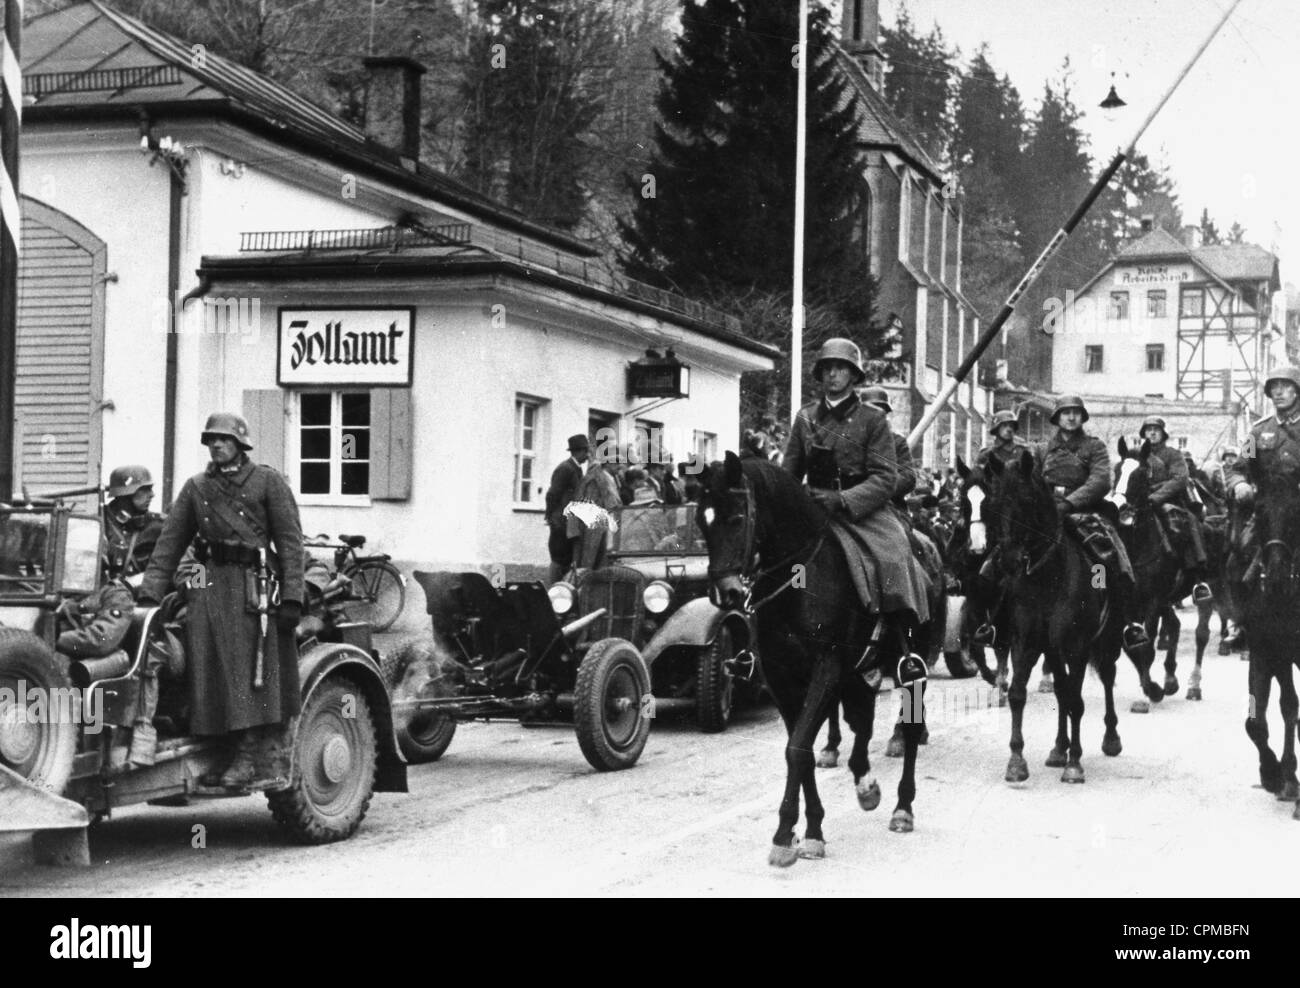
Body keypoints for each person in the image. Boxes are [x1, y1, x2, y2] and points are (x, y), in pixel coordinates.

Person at [138, 412, 305, 789]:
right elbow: (169, 544)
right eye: (211, 440)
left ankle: (251, 755)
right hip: (211, 588)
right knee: (210, 669)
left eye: (224, 440)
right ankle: (221, 745)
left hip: (256, 588)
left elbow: (291, 543)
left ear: (240, 444)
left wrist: (293, 596)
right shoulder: (197, 487)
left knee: (253, 674)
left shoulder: (267, 482)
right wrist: (149, 593)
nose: (216, 445)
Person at [783, 338, 929, 675]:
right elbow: (790, 472)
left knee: (894, 553)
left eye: (841, 368)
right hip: (814, 507)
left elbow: (884, 477)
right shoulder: (805, 417)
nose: (833, 374)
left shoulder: (873, 419)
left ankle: (905, 645)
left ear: (853, 375)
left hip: (863, 512)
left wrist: (845, 499)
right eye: (827, 368)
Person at [1033, 395, 1152, 660]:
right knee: (1010, 556)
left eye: (1076, 412)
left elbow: (1100, 481)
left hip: (1084, 513)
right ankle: (997, 621)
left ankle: (1128, 621)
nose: (1071, 417)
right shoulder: (1042, 450)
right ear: (1057, 418)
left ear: (1082, 417)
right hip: (1047, 515)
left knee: (1108, 555)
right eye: (1066, 413)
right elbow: (1034, 480)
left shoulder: (1094, 447)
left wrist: (1069, 503)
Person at [1139, 416, 1212, 604]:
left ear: (1163, 434)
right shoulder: (1139, 455)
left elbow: (1179, 479)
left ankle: (1198, 578)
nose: (1152, 433)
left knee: (1188, 524)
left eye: (1156, 429)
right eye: (1149, 430)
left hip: (1170, 502)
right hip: (1141, 503)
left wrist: (1155, 496)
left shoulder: (1173, 454)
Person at [1227, 366, 1300, 552]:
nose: (1278, 391)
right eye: (1274, 387)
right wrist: (1239, 484)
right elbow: (1239, 468)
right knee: (1238, 554)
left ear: (1297, 391)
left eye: (1285, 386)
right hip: (1265, 506)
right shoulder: (1258, 431)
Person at [102, 465, 166, 581]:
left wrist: (198, 588)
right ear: (127, 494)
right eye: (145, 489)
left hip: (144, 594)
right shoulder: (100, 523)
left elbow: (191, 562)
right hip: (106, 594)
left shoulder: (158, 525)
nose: (152, 495)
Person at [544, 435, 589, 584]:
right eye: (586, 451)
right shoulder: (566, 469)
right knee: (559, 558)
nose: (588, 455)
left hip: (568, 522)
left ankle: (562, 590)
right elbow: (552, 494)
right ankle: (554, 590)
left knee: (567, 559)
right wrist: (551, 517)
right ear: (580, 451)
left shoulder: (575, 468)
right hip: (561, 523)